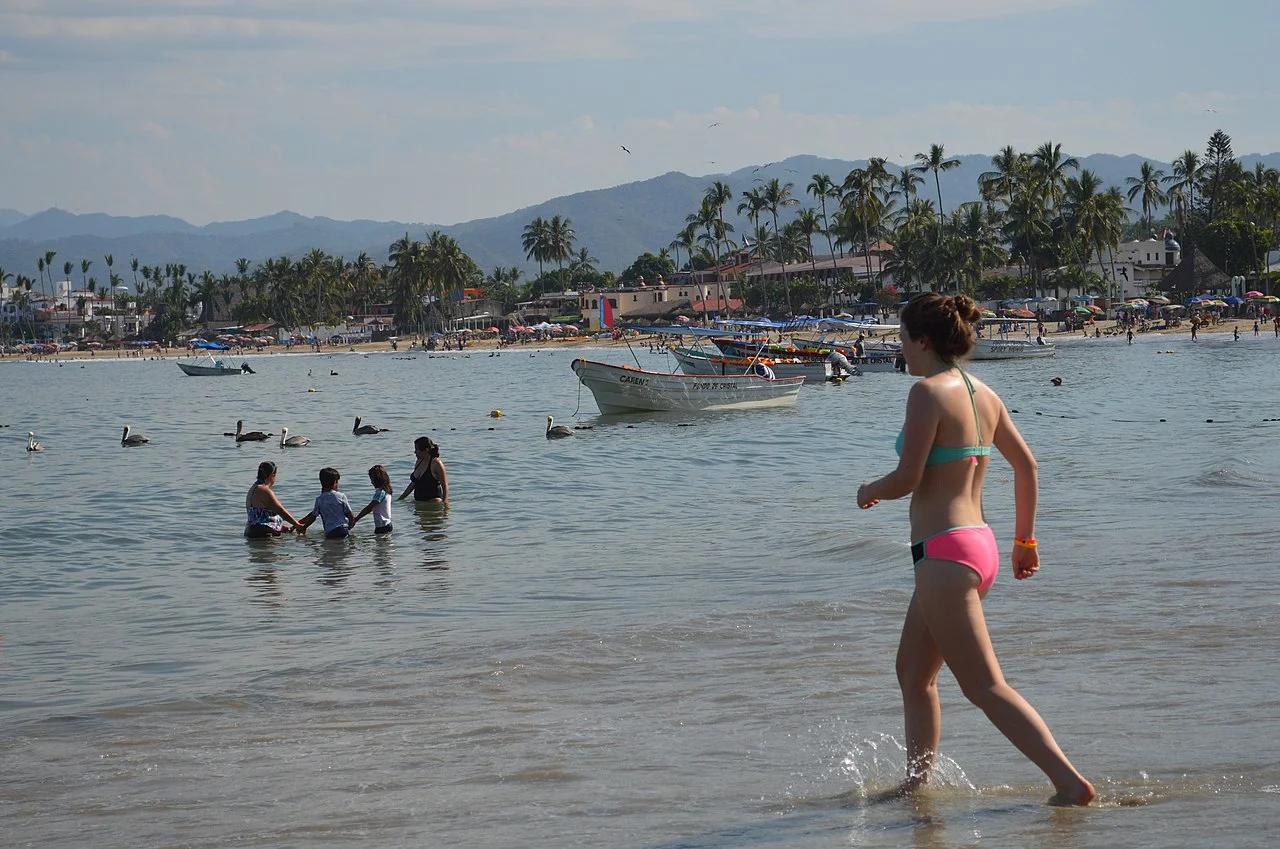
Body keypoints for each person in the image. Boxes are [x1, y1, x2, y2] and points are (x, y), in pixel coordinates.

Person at [855, 293, 1094, 806]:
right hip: (975, 546)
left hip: (944, 554)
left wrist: (869, 489)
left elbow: (908, 478)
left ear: (922, 340)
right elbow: (1027, 468)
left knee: (985, 687)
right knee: (913, 674)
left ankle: (1068, 782)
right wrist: (1024, 543)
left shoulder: (925, 393)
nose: (900, 349)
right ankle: (917, 787)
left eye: (902, 338)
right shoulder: (984, 392)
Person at [244, 461, 305, 538]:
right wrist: (297, 525)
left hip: (251, 531)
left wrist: (280, 527)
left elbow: (259, 517)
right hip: (264, 532)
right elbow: (280, 511)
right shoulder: (264, 490)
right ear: (272, 475)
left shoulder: (253, 489)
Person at [299, 467, 356, 539]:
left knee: (331, 548)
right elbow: (350, 514)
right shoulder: (341, 496)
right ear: (335, 482)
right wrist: (350, 525)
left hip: (330, 531)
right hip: (343, 528)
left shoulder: (319, 499)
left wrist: (304, 527)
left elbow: (313, 517)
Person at [398, 436, 448, 503]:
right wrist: (400, 499)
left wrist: (445, 507)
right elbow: (413, 483)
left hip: (433, 502)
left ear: (426, 450)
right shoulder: (418, 462)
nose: (415, 452)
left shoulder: (436, 463)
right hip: (419, 503)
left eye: (417, 449)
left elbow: (444, 485)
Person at [352, 464, 394, 534]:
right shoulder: (386, 491)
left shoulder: (380, 493)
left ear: (377, 479)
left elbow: (370, 508)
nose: (371, 482)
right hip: (386, 524)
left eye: (372, 479)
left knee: (381, 544)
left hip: (382, 526)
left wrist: (356, 519)